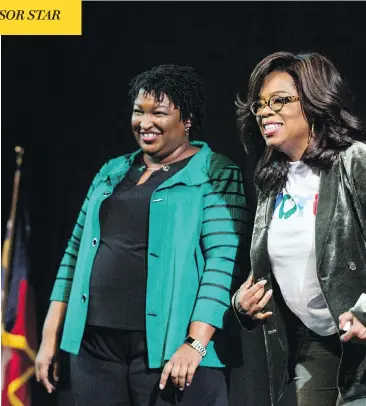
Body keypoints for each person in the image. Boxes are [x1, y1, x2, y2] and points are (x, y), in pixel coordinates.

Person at [232, 51, 366, 406]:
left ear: (315, 103)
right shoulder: (271, 182)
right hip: (315, 340)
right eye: (260, 105)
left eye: (280, 100)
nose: (265, 112)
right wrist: (242, 301)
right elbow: (277, 264)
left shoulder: (357, 161)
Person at [34, 64, 249, 406]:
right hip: (94, 347)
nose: (145, 123)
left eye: (159, 113)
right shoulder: (112, 170)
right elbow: (74, 255)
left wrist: (195, 343)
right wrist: (49, 338)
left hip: (169, 349)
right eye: (138, 111)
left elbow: (223, 264)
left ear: (188, 119)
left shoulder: (217, 173)